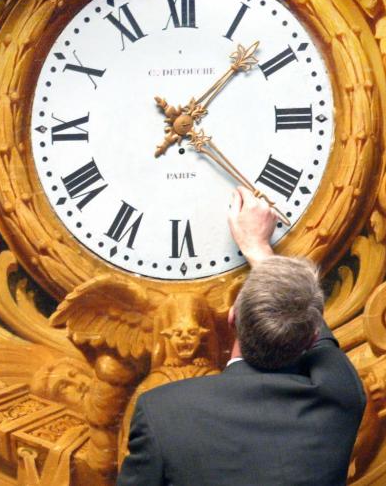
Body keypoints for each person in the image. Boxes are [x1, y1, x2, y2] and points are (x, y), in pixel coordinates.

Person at [117, 186, 367, 486]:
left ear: (232, 317)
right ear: (311, 338)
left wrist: (255, 248)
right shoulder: (339, 397)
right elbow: (316, 331)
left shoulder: (160, 411)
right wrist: (259, 250)